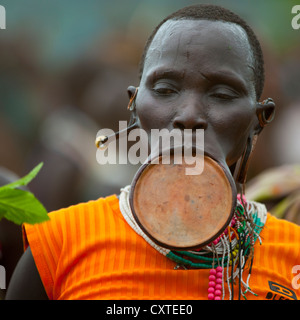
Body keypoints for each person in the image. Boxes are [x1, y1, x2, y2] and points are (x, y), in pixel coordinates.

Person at [6, 4, 300, 300]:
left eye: (222, 95)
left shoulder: (293, 255)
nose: (189, 115)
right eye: (164, 89)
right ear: (134, 105)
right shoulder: (59, 243)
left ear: (260, 120)